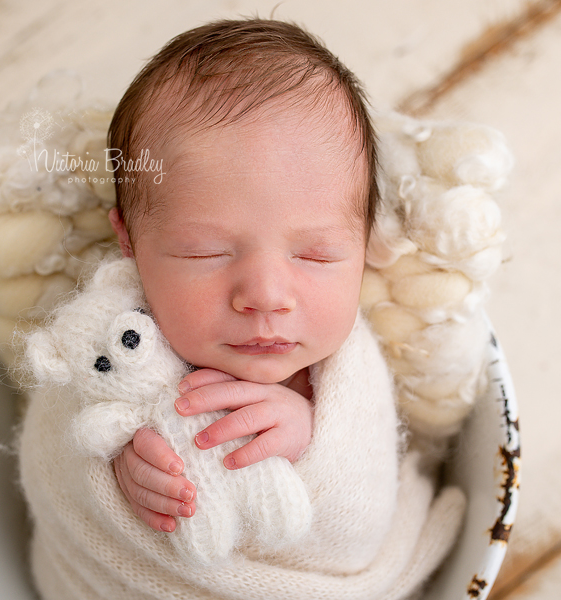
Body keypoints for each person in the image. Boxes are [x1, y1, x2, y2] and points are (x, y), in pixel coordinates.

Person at [104, 17, 378, 535]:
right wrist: (113, 472)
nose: (267, 297)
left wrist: (313, 436)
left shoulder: (354, 371)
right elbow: (61, 441)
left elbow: (370, 487)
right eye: (206, 253)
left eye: (317, 256)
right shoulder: (107, 340)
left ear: (366, 244)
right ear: (129, 242)